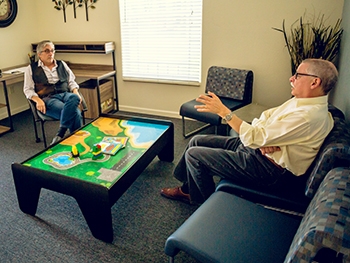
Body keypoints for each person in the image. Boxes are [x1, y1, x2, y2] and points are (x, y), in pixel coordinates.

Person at [161, 58, 338, 205]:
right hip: (259, 152)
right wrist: (263, 142)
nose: (292, 78)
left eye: (298, 75)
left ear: (315, 82)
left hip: (269, 171)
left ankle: (204, 203)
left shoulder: (308, 116)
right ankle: (188, 189)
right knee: (197, 140)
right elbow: (266, 116)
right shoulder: (302, 102)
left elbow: (256, 136)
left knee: (194, 155)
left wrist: (225, 112)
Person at [23, 40, 82, 145]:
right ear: (39, 54)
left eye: (52, 51)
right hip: (48, 98)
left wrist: (75, 91)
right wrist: (37, 100)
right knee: (75, 112)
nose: (50, 53)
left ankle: (61, 133)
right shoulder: (31, 69)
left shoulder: (62, 64)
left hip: (65, 94)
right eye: (47, 51)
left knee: (75, 97)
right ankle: (77, 141)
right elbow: (28, 89)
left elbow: (71, 81)